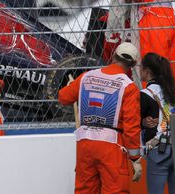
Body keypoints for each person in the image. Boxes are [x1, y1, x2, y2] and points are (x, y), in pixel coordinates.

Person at [58, 42, 143, 193]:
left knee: (85, 190)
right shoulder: (129, 87)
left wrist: (72, 86)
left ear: (113, 56)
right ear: (133, 64)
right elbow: (131, 127)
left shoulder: (87, 76)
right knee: (115, 190)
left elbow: (63, 97)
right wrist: (135, 159)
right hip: (112, 146)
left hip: (85, 142)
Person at [140, 53, 175, 194]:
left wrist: (143, 123)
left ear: (147, 71)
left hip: (159, 150)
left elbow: (133, 122)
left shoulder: (145, 94)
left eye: (141, 67)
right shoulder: (174, 93)